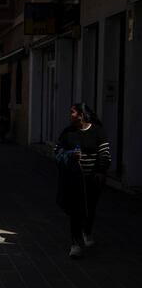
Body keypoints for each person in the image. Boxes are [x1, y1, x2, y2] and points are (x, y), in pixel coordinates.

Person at [54, 102, 111, 258]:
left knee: (90, 208)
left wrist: (100, 171)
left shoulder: (98, 132)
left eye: (72, 112)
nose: (70, 115)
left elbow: (105, 154)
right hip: (73, 179)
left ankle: (87, 232)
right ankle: (75, 243)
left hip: (93, 179)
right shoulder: (67, 132)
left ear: (81, 115)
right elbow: (57, 151)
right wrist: (70, 155)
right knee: (75, 211)